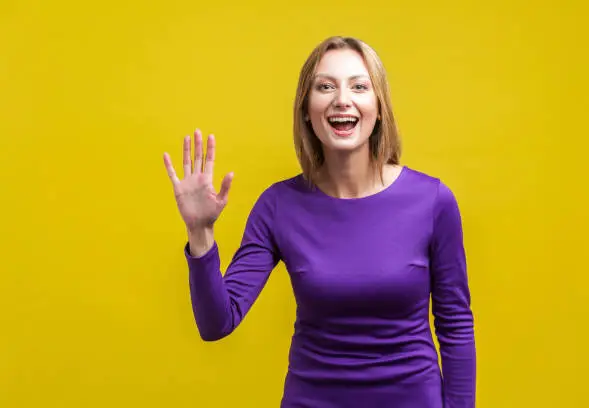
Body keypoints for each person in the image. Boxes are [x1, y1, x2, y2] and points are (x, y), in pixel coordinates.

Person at [163, 36, 476, 408]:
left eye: (359, 86)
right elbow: (217, 323)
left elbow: (456, 327)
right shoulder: (278, 205)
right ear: (307, 110)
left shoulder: (432, 201)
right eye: (325, 86)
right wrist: (200, 234)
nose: (342, 99)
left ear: (379, 107)